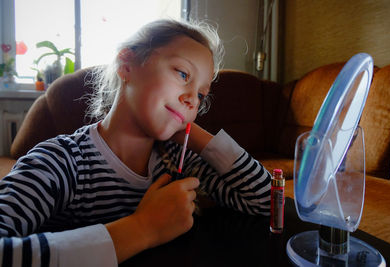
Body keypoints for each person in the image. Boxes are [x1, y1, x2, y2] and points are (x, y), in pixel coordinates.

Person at [0, 19, 271, 266]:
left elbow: (268, 201)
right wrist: (142, 229)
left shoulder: (178, 159)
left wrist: (193, 133)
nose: (192, 99)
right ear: (126, 65)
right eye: (183, 74)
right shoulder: (61, 162)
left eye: (201, 95)